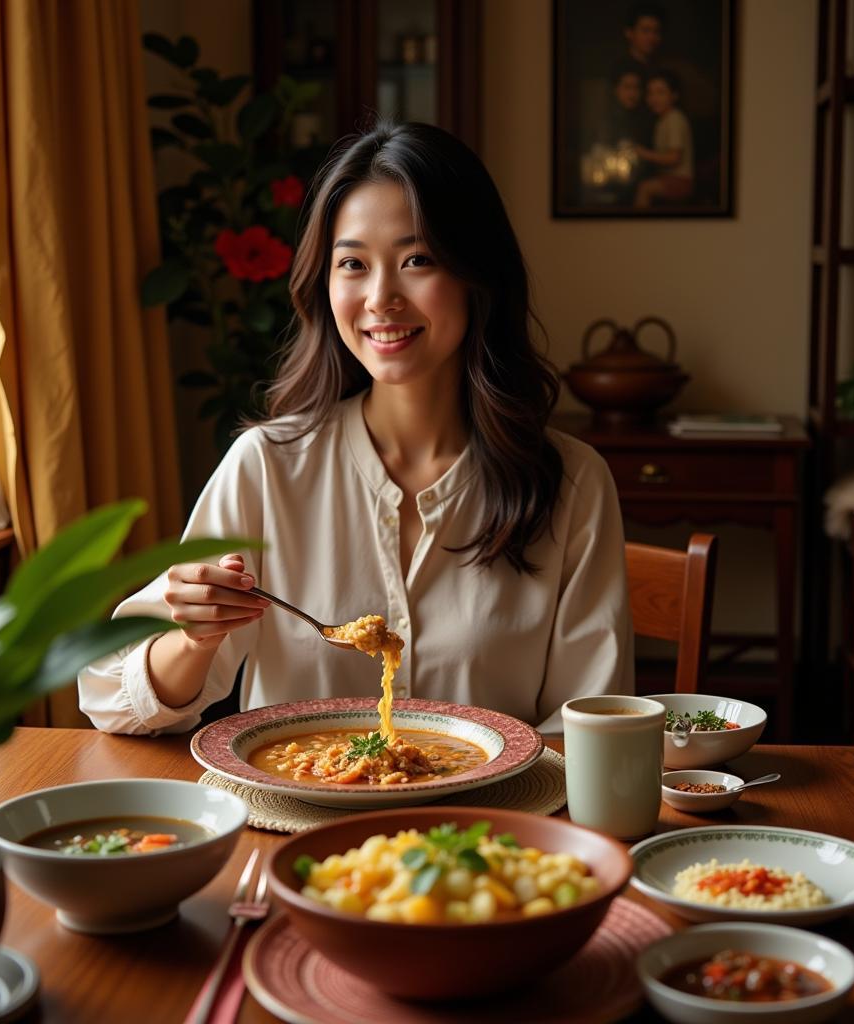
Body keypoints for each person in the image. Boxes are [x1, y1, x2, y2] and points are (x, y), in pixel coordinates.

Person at [78, 121, 634, 736]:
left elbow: (590, 725)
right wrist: (196, 639)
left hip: (491, 826)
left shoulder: (573, 482)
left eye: (417, 259)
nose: (380, 296)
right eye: (353, 264)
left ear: (479, 277)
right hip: (291, 821)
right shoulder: (265, 467)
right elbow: (110, 697)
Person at [634, 70, 694, 208]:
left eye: (660, 92)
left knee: (644, 188)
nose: (654, 98)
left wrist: (642, 153)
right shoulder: (662, 120)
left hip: (680, 180)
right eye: (650, 93)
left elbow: (674, 158)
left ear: (674, 95)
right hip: (667, 178)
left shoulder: (675, 119)